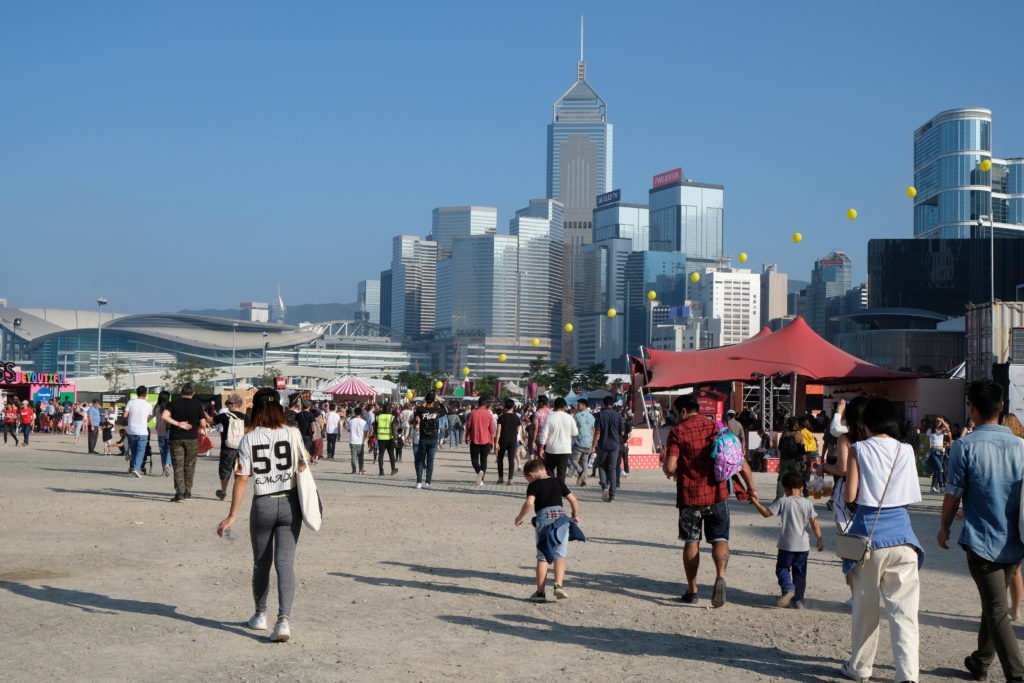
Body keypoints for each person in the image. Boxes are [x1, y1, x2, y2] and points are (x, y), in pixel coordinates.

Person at [938, 380, 1024, 682]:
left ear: (971, 409)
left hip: (982, 540)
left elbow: (953, 495)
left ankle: (1017, 674)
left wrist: (944, 527)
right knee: (995, 601)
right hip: (1016, 539)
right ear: (1001, 407)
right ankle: (981, 660)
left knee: (996, 608)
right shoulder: (1021, 446)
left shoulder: (964, 446)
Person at [841, 397, 923, 683]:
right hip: (903, 537)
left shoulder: (858, 449)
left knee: (865, 610)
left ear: (867, 422)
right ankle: (907, 677)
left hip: (869, 540)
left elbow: (850, 496)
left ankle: (860, 668)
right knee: (905, 614)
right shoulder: (906, 450)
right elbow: (910, 495)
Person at [216, 388, 306, 643]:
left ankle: (260, 614)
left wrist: (232, 515)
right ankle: (284, 621)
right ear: (279, 407)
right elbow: (303, 467)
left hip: (263, 502)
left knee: (261, 562)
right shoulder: (293, 433)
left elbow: (242, 478)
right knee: (285, 564)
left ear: (254, 408)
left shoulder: (249, 438)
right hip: (290, 502)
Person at [662, 393, 758, 608]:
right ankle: (720, 576)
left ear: (683, 411)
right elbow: (739, 461)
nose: (674, 417)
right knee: (720, 539)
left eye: (675, 413)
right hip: (718, 493)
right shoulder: (718, 427)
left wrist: (669, 470)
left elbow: (669, 467)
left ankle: (692, 590)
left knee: (691, 541)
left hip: (690, 497)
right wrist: (751, 488)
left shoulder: (678, 431)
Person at [751, 471, 824, 609]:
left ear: (785, 488)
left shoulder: (783, 501)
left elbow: (766, 514)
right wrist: (819, 538)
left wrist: (755, 502)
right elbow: (814, 523)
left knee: (782, 568)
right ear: (802, 487)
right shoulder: (807, 503)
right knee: (800, 573)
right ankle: (798, 601)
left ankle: (788, 587)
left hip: (786, 545)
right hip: (803, 546)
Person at [514, 459, 582, 603]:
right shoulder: (558, 481)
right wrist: (575, 515)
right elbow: (574, 501)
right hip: (561, 520)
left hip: (544, 521)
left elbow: (529, 503)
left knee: (543, 556)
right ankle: (558, 585)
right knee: (560, 555)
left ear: (531, 475)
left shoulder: (533, 485)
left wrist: (519, 517)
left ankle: (540, 593)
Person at [162, 384, 207, 503]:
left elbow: (164, 416)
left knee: (178, 466)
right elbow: (203, 423)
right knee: (190, 465)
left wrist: (177, 423)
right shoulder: (197, 405)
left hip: (176, 437)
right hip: (192, 438)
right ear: (193, 393)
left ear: (181, 392)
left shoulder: (173, 403)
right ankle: (188, 491)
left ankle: (179, 492)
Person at [210, 394, 246, 500]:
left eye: (229, 403)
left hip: (227, 447)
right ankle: (237, 494)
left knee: (225, 470)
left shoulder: (226, 415)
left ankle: (223, 492)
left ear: (233, 404)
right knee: (239, 472)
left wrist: (202, 413)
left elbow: (211, 420)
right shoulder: (245, 417)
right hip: (242, 448)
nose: (228, 405)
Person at [538, 397, 578, 484]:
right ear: (564, 406)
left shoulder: (549, 417)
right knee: (561, 472)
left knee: (549, 469)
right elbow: (575, 432)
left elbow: (544, 434)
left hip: (551, 449)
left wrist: (541, 448)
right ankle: (560, 490)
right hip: (565, 449)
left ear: (554, 406)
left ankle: (551, 487)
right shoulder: (569, 417)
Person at [592, 396, 624, 502]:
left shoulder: (600, 415)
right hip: (615, 445)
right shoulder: (618, 415)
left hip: (603, 444)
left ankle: (604, 486)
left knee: (601, 466)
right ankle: (612, 495)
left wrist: (593, 446)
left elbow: (597, 431)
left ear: (603, 404)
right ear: (612, 404)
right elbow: (622, 432)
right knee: (612, 468)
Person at [413, 392, 443, 489]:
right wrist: (438, 400)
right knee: (430, 462)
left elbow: (416, 415)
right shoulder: (437, 410)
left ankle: (418, 482)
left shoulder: (420, 409)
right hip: (433, 439)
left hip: (423, 438)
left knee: (420, 461)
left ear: (426, 400)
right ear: (434, 400)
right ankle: (428, 483)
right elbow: (445, 410)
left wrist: (425, 403)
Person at [464, 397, 495, 486]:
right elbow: (491, 430)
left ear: (478, 403)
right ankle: (481, 478)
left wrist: (466, 437)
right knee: (484, 460)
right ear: (486, 404)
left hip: (474, 439)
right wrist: (492, 441)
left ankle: (479, 472)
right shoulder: (489, 415)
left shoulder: (473, 414)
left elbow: (468, 426)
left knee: (474, 459)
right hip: (486, 440)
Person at [123, 385, 153, 478]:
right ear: (145, 394)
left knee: (134, 451)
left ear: (137, 393)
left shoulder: (131, 402)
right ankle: (136, 468)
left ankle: (134, 467)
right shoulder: (148, 404)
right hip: (142, 431)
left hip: (131, 430)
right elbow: (149, 417)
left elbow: (125, 415)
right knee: (140, 451)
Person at [775, 418, 805, 499]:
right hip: (795, 461)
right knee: (797, 479)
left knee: (781, 479)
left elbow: (779, 447)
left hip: (784, 460)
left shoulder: (784, 434)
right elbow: (802, 450)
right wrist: (803, 461)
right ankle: (797, 496)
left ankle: (779, 497)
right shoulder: (798, 434)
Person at [495, 398, 522, 485]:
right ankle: (510, 479)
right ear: (513, 407)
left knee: (500, 459)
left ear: (505, 407)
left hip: (503, 440)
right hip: (512, 441)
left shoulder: (501, 417)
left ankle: (500, 477)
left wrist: (496, 443)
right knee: (511, 459)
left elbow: (498, 432)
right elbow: (518, 429)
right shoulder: (517, 417)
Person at [572, 399, 595, 486]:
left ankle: (580, 471)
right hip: (589, 442)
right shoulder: (591, 416)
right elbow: (593, 429)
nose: (577, 406)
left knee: (574, 460)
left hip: (579, 441)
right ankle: (583, 480)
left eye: (579, 405)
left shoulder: (577, 416)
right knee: (585, 461)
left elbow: (573, 429)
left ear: (584, 405)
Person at [926, 417, 950, 493]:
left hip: (941, 451)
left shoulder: (942, 430)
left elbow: (948, 429)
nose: (937, 423)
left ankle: (933, 487)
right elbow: (927, 440)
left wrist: (942, 420)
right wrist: (923, 449)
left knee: (937, 470)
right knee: (940, 469)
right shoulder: (931, 430)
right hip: (933, 451)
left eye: (939, 421)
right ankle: (941, 487)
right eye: (936, 421)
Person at [373, 403, 398, 476]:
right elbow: (393, 428)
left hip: (381, 438)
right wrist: (395, 438)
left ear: (382, 409)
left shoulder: (378, 417)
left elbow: (375, 427)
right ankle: (393, 470)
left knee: (381, 455)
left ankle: (381, 471)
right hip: (390, 438)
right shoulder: (392, 417)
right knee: (391, 455)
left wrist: (376, 435)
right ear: (390, 409)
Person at [345, 409, 368, 474]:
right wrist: (365, 439)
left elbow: (348, 430)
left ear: (355, 413)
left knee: (353, 457)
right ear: (361, 413)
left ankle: (354, 469)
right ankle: (361, 469)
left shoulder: (351, 421)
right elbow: (366, 432)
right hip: (361, 441)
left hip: (352, 441)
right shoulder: (364, 422)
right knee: (361, 456)